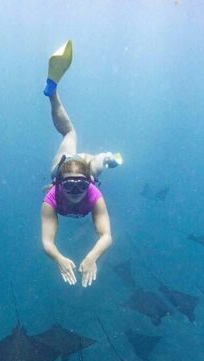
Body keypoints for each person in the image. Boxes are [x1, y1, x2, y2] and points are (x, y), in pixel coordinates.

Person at [41, 40, 122, 288]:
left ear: (90, 185)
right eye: (70, 187)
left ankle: (107, 158)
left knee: (95, 161)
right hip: (62, 167)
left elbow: (106, 236)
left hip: (76, 168)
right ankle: (51, 91)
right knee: (70, 134)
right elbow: (47, 242)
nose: (76, 192)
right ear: (57, 186)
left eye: (81, 187)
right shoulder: (52, 198)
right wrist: (57, 257)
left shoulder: (93, 193)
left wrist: (91, 256)